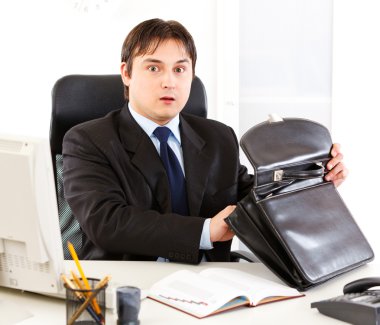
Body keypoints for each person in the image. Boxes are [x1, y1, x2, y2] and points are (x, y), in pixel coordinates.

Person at [62, 18, 348, 264]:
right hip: (125, 285)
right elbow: (107, 223)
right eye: (153, 68)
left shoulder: (218, 137)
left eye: (179, 69)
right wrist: (205, 231)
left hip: (208, 286)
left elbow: (255, 197)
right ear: (126, 73)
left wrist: (313, 180)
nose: (169, 82)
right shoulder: (88, 141)